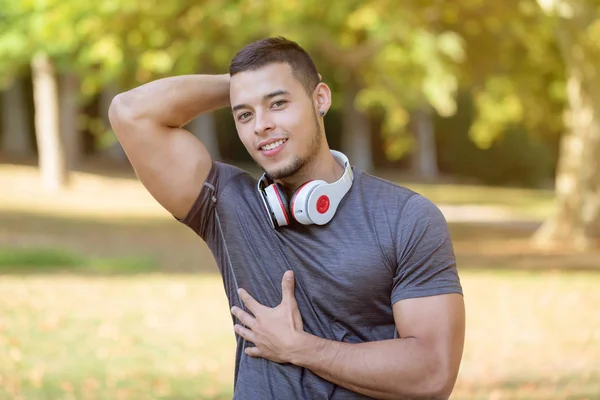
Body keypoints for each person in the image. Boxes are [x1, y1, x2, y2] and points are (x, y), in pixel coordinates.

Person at [108, 36, 465, 400]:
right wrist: (239, 85)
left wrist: (299, 348)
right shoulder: (229, 205)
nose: (261, 125)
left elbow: (432, 374)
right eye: (245, 114)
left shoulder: (406, 217)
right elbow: (130, 112)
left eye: (277, 103)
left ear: (319, 99)